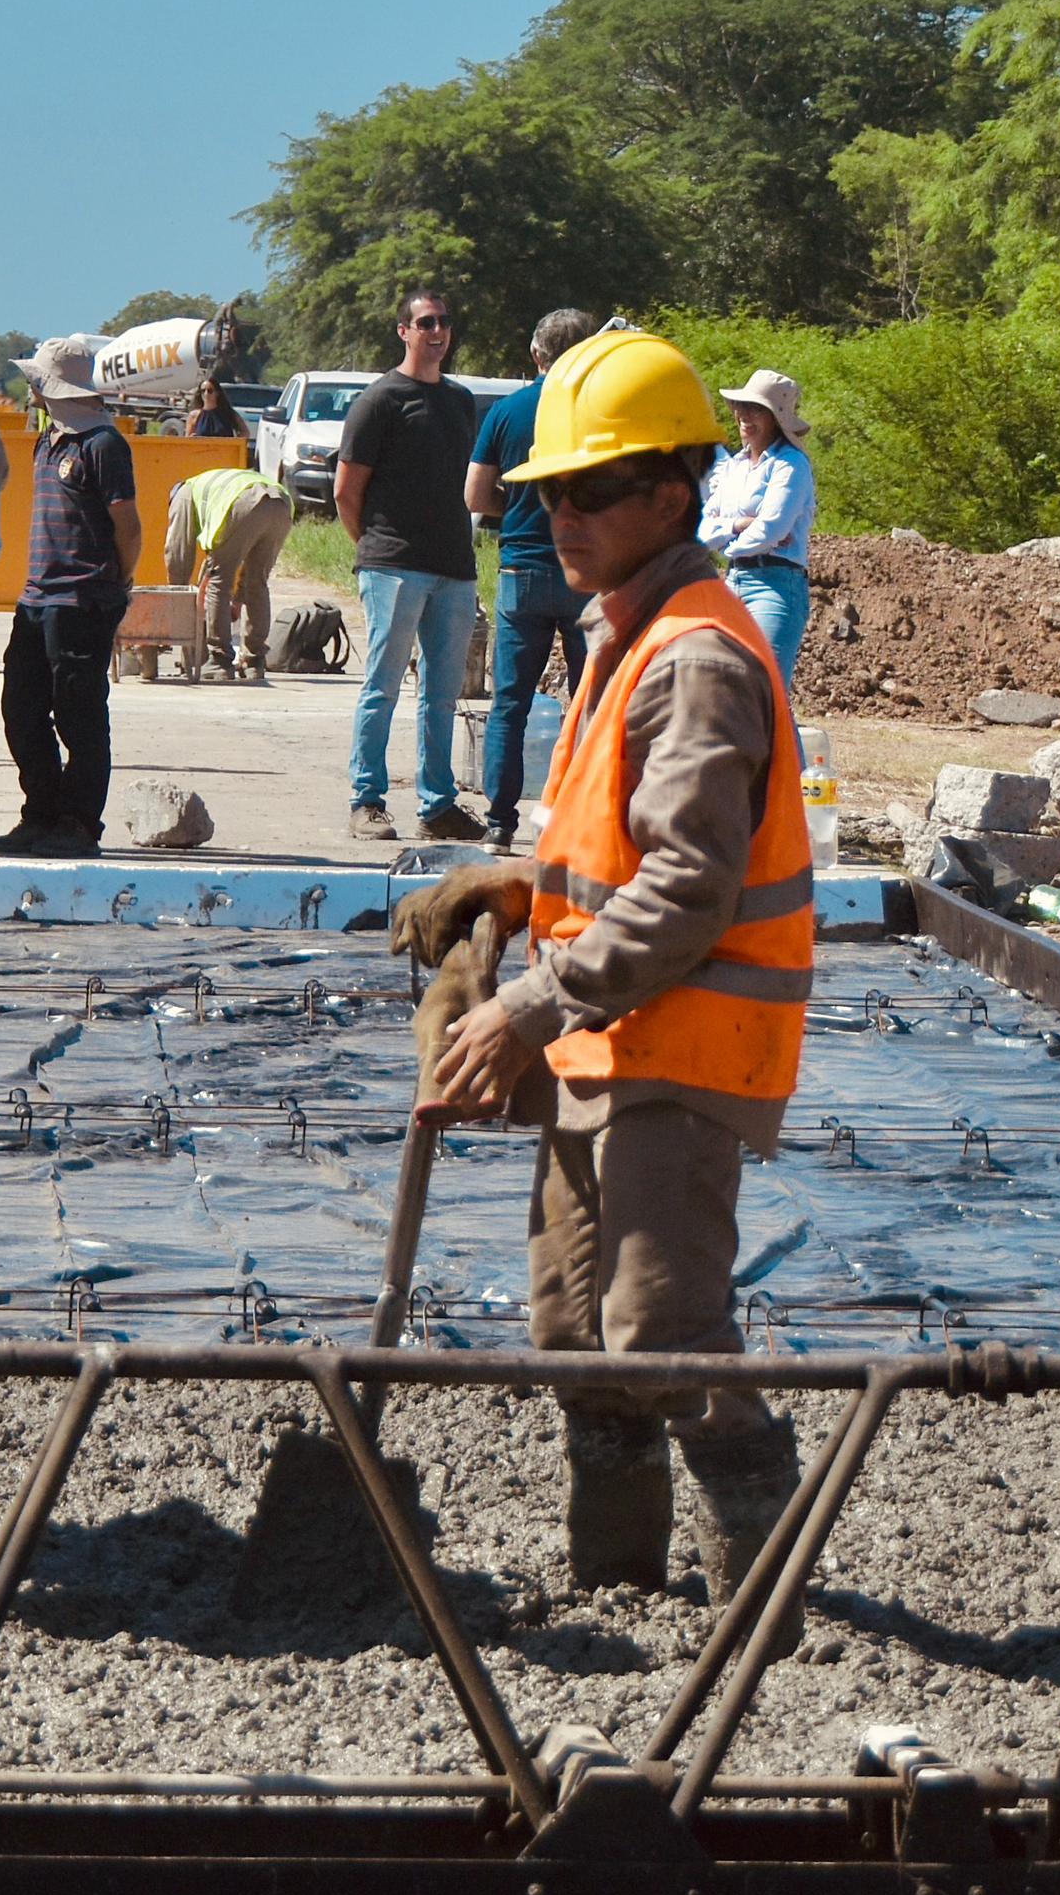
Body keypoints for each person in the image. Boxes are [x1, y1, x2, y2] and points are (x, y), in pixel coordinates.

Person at [396, 329, 812, 1604]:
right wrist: (514, 894)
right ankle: (618, 1589)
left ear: (668, 500)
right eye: (543, 494)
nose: (555, 516)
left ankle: (767, 1605)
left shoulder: (693, 657)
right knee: (575, 1334)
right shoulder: (628, 631)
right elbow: (622, 852)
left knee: (663, 1332)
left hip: (672, 1052)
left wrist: (522, 1005)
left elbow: (688, 888)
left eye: (585, 491)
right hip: (603, 1039)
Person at [333, 285, 486, 844]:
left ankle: (437, 805)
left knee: (443, 694)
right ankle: (367, 800)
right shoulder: (379, 401)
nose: (438, 331)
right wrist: (373, 547)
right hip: (393, 565)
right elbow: (347, 491)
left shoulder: (460, 400)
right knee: (383, 686)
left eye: (444, 321)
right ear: (403, 331)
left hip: (454, 567)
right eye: (425, 322)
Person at [0, 339, 138, 856]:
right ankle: (42, 812)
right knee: (22, 707)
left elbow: (128, 527)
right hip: (38, 599)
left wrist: (116, 586)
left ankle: (78, 823)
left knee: (79, 714)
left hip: (81, 600)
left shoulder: (102, 444)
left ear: (49, 387)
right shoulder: (50, 441)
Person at [469, 308, 603, 853]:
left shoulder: (507, 412)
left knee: (511, 703)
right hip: (586, 570)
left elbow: (476, 496)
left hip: (520, 567)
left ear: (535, 355)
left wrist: (520, 508)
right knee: (591, 700)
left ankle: (500, 824)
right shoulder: (599, 411)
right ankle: (583, 815)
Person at [702, 367, 819, 687]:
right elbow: (701, 528)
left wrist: (725, 541)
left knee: (764, 695)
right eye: (741, 407)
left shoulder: (791, 464)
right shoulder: (734, 467)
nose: (743, 415)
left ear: (775, 418)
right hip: (735, 580)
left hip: (777, 585)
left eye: (755, 409)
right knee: (727, 693)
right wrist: (740, 525)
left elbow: (770, 528)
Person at [166, 458, 296, 683]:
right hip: (281, 503)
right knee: (258, 582)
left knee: (218, 582)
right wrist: (237, 600)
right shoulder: (213, 483)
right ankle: (255, 661)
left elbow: (177, 556)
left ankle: (219, 660)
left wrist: (177, 603)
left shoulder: (184, 494)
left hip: (244, 503)